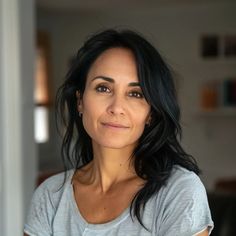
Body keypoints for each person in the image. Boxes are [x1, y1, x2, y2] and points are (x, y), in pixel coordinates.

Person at [24, 28, 214, 236]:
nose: (117, 107)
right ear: (80, 101)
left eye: (135, 93)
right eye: (103, 88)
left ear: (151, 112)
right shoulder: (50, 196)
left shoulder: (179, 192)